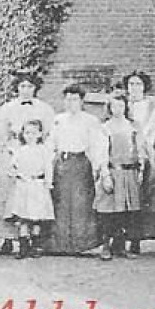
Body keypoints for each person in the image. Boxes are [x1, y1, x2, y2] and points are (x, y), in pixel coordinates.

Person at [0, 72, 55, 257]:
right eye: (22, 87)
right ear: (17, 88)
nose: (26, 90)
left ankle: (35, 242)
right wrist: (8, 152)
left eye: (30, 87)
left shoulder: (45, 109)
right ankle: (7, 239)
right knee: (9, 198)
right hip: (14, 155)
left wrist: (44, 153)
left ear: (35, 89)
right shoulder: (7, 109)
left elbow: (50, 134)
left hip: (36, 157)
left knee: (33, 202)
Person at [47, 83, 105, 255]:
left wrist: (97, 168)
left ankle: (81, 244)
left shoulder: (90, 120)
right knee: (62, 203)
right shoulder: (58, 120)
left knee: (81, 204)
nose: (71, 103)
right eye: (68, 99)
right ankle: (61, 244)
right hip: (62, 164)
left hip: (81, 164)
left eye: (74, 99)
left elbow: (96, 145)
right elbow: (51, 144)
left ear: (81, 101)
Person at [93, 93, 145, 260]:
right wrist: (105, 175)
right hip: (113, 172)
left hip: (130, 172)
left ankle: (121, 245)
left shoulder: (133, 126)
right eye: (114, 106)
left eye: (121, 106)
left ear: (126, 107)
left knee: (128, 210)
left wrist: (141, 170)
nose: (118, 110)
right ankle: (106, 246)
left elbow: (140, 149)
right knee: (109, 210)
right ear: (109, 108)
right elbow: (101, 153)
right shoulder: (105, 127)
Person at [120, 71, 155, 254]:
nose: (134, 88)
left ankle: (137, 238)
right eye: (131, 84)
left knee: (142, 198)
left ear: (145, 87)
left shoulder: (152, 108)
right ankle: (121, 237)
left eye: (138, 84)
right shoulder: (123, 106)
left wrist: (143, 148)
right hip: (124, 155)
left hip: (145, 155)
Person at [5, 119, 54, 257]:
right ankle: (23, 246)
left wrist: (48, 182)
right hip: (23, 187)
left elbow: (48, 168)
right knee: (23, 217)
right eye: (27, 133)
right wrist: (15, 173)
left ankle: (36, 244)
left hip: (37, 186)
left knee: (36, 217)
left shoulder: (43, 151)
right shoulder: (20, 151)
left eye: (33, 133)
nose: (30, 136)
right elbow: (12, 167)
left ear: (39, 134)